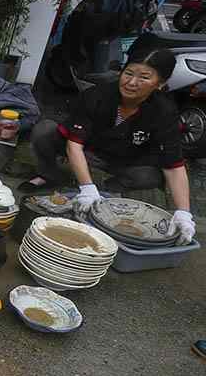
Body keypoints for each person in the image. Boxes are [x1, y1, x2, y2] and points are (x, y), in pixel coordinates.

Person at [22, 34, 196, 245]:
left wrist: (184, 213)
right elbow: (74, 145)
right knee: (44, 131)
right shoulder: (97, 95)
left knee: (150, 176)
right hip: (87, 151)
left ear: (160, 84)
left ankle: (107, 191)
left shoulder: (165, 112)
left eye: (144, 77)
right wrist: (87, 187)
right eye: (128, 73)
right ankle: (51, 175)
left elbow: (174, 166)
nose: (132, 82)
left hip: (126, 160)